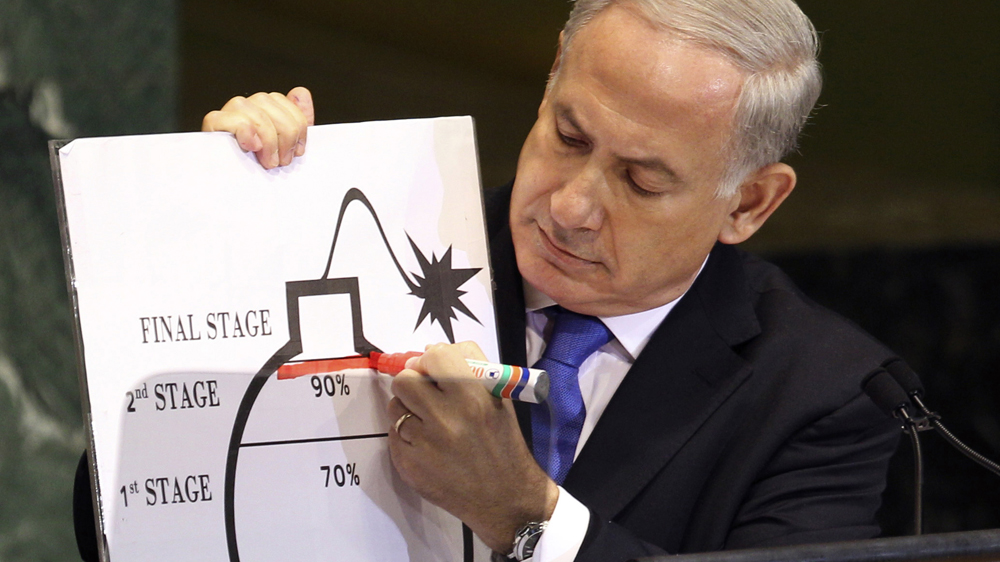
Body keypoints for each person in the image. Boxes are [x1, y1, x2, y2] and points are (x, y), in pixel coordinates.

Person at [76, 1, 902, 560]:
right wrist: (230, 236)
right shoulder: (375, 246)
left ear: (750, 203)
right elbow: (119, 520)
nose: (571, 207)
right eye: (568, 137)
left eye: (641, 181)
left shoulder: (828, 396)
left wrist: (525, 517)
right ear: (550, 82)